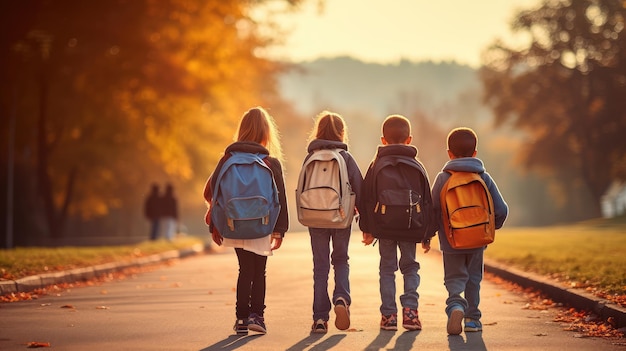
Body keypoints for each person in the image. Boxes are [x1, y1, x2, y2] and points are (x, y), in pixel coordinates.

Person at [203, 106, 288, 335]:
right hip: (262, 223)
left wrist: (215, 223)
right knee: (259, 271)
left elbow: (210, 192)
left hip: (234, 223)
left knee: (244, 270)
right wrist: (279, 230)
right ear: (266, 133)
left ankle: (241, 319)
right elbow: (281, 198)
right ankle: (257, 317)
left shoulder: (227, 158)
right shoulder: (271, 162)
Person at [430, 127, 509, 335]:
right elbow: (501, 209)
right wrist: (491, 228)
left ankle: (455, 306)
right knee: (474, 279)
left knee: (454, 278)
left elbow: (433, 210)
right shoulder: (483, 177)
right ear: (475, 153)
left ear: (449, 153)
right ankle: (472, 319)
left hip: (451, 240)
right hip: (477, 239)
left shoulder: (443, 178)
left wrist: (427, 234)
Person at [359, 115, 434, 331]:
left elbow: (366, 197)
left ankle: (389, 316)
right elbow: (427, 202)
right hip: (411, 227)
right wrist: (426, 234)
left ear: (383, 140)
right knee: (410, 267)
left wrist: (367, 229)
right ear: (409, 139)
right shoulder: (417, 165)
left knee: (387, 269)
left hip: (384, 227)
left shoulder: (376, 165)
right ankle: (411, 314)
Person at [301, 111, 363, 333]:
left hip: (315, 216)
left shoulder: (310, 157)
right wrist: (364, 221)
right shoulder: (345, 157)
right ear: (342, 133)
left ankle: (319, 318)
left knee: (320, 266)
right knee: (341, 259)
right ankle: (341, 299)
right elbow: (359, 187)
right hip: (340, 216)